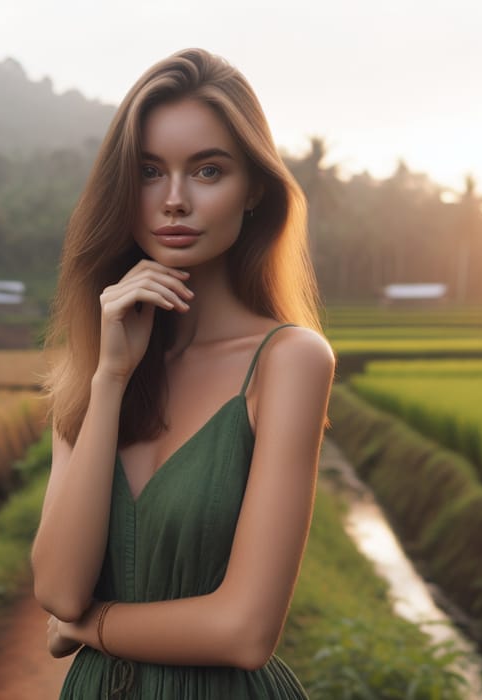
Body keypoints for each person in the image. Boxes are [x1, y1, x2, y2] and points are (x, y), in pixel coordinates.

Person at [31, 47, 336, 699]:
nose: (174, 200)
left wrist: (87, 626)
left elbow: (245, 632)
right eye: (148, 172)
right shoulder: (94, 363)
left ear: (253, 188)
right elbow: (56, 588)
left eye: (207, 170)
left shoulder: (289, 363)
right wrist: (110, 379)